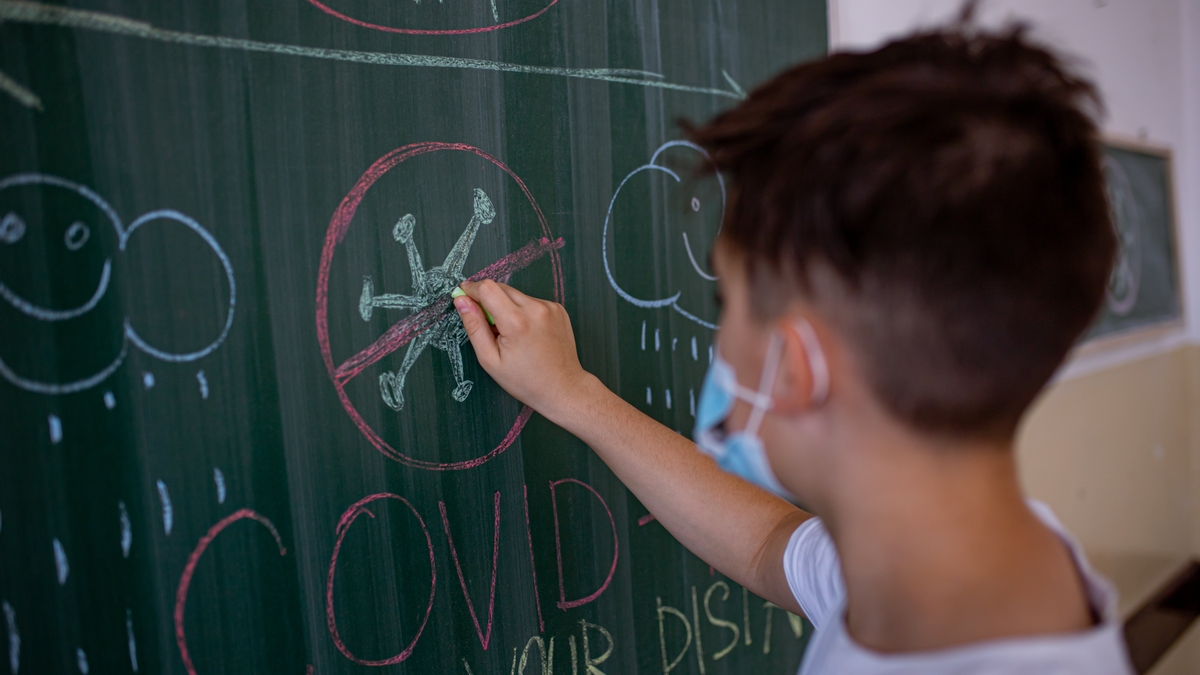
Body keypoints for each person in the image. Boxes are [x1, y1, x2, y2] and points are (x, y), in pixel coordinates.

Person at [452, 9, 1135, 673]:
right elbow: (764, 543)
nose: (722, 332)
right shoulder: (950, 556)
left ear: (797, 366)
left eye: (729, 300)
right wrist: (575, 396)